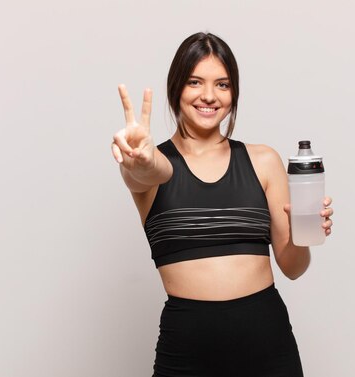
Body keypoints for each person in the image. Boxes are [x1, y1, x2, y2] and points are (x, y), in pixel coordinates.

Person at [111, 32, 334, 377]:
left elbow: (292, 267)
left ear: (234, 94)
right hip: (185, 352)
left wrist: (305, 230)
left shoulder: (263, 161)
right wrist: (139, 160)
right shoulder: (154, 165)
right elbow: (146, 172)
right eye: (195, 82)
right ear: (176, 89)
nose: (209, 96)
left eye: (223, 85)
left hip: (268, 345)